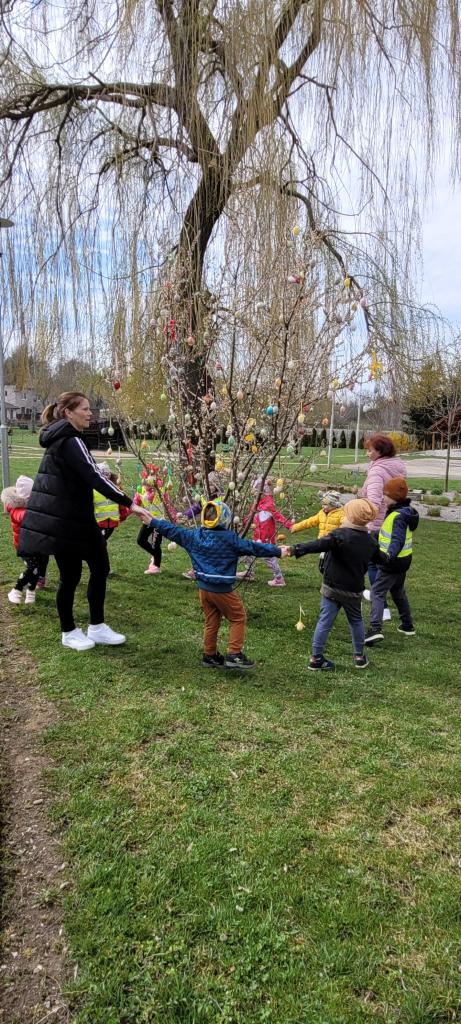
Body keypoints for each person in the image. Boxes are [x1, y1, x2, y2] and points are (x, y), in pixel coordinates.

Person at [18, 392, 142, 651]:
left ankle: (97, 627)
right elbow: (94, 476)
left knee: (100, 567)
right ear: (68, 413)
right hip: (63, 523)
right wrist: (130, 503)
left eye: (89, 409)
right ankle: (69, 632)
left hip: (80, 521)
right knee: (71, 576)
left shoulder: (66, 438)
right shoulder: (69, 439)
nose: (90, 413)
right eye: (84, 409)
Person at [136, 498, 285, 669]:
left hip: (203, 590)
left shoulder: (194, 536)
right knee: (238, 617)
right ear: (226, 519)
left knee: (212, 621)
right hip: (221, 590)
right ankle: (234, 654)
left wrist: (153, 521)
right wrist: (277, 551)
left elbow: (173, 531)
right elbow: (254, 547)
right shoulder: (230, 539)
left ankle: (210, 655)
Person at [288, 498, 379, 671]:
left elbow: (318, 544)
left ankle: (316, 658)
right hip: (353, 591)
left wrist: (296, 549)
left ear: (349, 515)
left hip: (331, 588)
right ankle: (359, 657)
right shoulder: (371, 542)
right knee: (356, 621)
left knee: (325, 621)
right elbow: (381, 559)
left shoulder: (339, 535)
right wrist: (390, 557)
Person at [364, 478, 419, 645]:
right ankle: (407, 625)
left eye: (385, 495)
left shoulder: (398, 517)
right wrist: (372, 536)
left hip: (392, 562)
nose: (383, 498)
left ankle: (375, 629)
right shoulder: (404, 512)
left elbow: (397, 540)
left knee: (377, 592)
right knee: (398, 591)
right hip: (403, 561)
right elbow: (386, 532)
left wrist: (388, 556)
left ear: (394, 497)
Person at [360, 433, 407, 620]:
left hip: (377, 523)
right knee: (388, 566)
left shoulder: (377, 471)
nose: (367, 454)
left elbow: (373, 501)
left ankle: (382, 606)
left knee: (373, 563)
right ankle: (401, 614)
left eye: (370, 450)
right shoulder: (397, 466)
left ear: (380, 451)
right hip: (394, 521)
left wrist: (364, 521)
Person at [2, 474, 49, 605]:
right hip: (24, 546)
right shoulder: (16, 510)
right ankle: (16, 589)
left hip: (35, 544)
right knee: (33, 567)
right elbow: (25, 517)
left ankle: (30, 592)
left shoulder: (30, 508)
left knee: (37, 568)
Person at [239, 477, 293, 587]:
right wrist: (243, 523)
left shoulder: (268, 505)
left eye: (255, 491)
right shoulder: (256, 504)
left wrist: (290, 526)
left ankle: (279, 579)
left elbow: (278, 516)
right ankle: (249, 572)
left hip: (267, 538)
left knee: (270, 557)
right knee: (247, 551)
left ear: (262, 491)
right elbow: (250, 517)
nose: (253, 493)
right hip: (257, 536)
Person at [291, 490, 344, 572]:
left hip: (334, 544)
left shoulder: (341, 514)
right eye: (322, 504)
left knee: (331, 566)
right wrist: (295, 527)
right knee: (322, 567)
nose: (323, 506)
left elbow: (346, 524)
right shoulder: (321, 513)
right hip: (323, 543)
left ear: (333, 504)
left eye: (326, 505)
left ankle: (334, 575)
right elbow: (310, 522)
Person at [134, 473, 177, 575]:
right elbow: (135, 504)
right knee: (140, 540)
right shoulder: (141, 491)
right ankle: (156, 555)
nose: (145, 486)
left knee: (155, 544)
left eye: (147, 484)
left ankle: (156, 566)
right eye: (144, 484)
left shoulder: (160, 491)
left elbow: (168, 505)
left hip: (159, 521)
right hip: (147, 520)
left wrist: (173, 517)